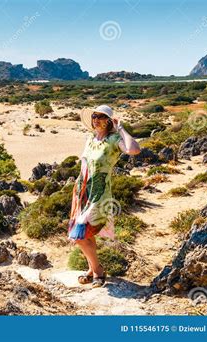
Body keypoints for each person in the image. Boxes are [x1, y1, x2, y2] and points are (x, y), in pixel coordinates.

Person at [68, 105, 140, 288]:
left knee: (79, 235)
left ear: (109, 120)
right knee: (86, 234)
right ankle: (92, 270)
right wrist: (77, 190)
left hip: (99, 193)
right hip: (82, 191)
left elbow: (134, 150)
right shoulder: (90, 138)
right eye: (94, 116)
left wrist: (121, 128)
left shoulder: (114, 140)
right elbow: (84, 164)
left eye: (101, 116)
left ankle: (98, 270)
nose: (96, 119)